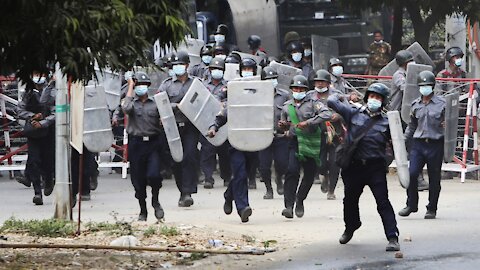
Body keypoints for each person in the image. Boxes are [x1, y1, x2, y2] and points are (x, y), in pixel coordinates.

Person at [327, 83, 400, 252]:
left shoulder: (387, 122)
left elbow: (398, 145)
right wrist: (346, 98)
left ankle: (392, 236)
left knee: (383, 202)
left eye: (378, 98)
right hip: (353, 167)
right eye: (372, 96)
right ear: (367, 98)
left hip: (375, 168)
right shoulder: (352, 113)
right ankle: (351, 227)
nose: (374, 100)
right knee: (349, 201)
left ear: (383, 102)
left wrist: (389, 161)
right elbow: (331, 100)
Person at [278, 75, 332, 218]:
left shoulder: (314, 103)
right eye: (295, 88)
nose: (298, 91)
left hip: (312, 142)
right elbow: (283, 125)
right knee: (291, 171)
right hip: (295, 142)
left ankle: (300, 199)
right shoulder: (286, 106)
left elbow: (327, 114)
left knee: (309, 175)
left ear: (306, 90)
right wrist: (283, 127)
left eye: (301, 89)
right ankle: (288, 206)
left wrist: (309, 122)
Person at [399, 70, 445, 219]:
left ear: (433, 86)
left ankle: (432, 208)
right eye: (422, 85)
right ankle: (411, 204)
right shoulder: (415, 105)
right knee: (412, 174)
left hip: (435, 144)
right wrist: (403, 142)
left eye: (427, 85)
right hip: (418, 145)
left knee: (434, 177)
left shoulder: (442, 104)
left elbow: (449, 125)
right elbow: (412, 126)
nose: (424, 88)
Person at [158, 51, 199, 207]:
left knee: (189, 156)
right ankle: (182, 190)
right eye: (175, 66)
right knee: (177, 159)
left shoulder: (195, 83)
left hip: (190, 126)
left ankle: (188, 191)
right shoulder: (166, 85)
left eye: (180, 65)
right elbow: (159, 104)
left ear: (187, 65)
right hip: (172, 127)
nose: (178, 68)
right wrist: (175, 107)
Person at [122, 71, 166, 221]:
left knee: (154, 175)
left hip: (153, 143)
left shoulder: (155, 103)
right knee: (138, 181)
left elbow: (166, 117)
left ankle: (156, 200)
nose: (141, 88)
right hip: (136, 144)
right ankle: (143, 209)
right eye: (138, 85)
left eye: (143, 85)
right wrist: (130, 87)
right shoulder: (132, 104)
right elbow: (125, 108)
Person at [388, 50, 430, 190]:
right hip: (400, 116)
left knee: (413, 145)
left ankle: (416, 178)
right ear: (404, 63)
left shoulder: (409, 74)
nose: (412, 63)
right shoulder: (399, 75)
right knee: (411, 146)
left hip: (408, 114)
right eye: (409, 62)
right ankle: (416, 179)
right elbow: (406, 89)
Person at [207, 108, 253, 223]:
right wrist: (213, 128)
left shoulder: (258, 103)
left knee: (242, 175)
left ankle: (229, 195)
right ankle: (243, 208)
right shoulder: (233, 102)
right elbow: (220, 117)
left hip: (253, 144)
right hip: (235, 144)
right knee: (240, 174)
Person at [16, 71, 56, 205]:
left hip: (48, 132)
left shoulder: (52, 91)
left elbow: (56, 112)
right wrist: (32, 117)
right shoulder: (28, 92)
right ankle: (37, 192)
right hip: (33, 132)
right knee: (34, 161)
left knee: (48, 161)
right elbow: (20, 110)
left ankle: (49, 180)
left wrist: (43, 122)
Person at [308, 70, 347, 200]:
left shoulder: (337, 96)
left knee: (335, 162)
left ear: (328, 83)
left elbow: (347, 110)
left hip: (335, 134)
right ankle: (323, 176)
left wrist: (339, 116)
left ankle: (331, 190)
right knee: (321, 163)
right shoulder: (309, 96)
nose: (319, 84)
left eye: (322, 81)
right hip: (318, 133)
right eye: (317, 81)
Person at [258, 67, 290, 199]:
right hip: (263, 136)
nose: (271, 81)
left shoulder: (284, 95)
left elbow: (290, 112)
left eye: (273, 79)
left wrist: (287, 125)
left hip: (280, 135)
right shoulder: (257, 96)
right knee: (264, 165)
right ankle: (268, 189)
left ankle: (279, 178)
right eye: (268, 79)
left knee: (282, 162)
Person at [200, 57, 231, 189]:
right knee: (207, 151)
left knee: (224, 152)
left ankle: (227, 177)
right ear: (210, 70)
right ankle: (208, 178)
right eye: (214, 69)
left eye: (219, 69)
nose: (216, 71)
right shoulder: (203, 86)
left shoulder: (228, 86)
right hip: (206, 121)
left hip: (223, 123)